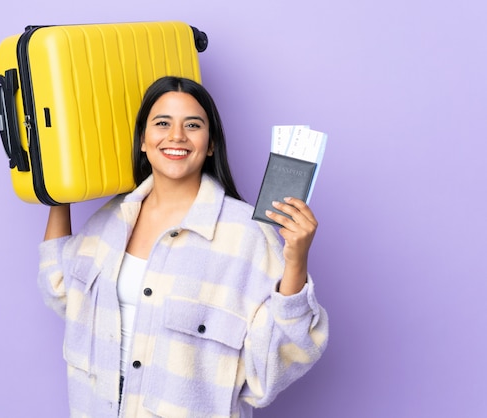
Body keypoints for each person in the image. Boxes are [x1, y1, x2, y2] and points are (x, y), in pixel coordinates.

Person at [38, 76, 328, 417]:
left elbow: (277, 360)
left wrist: (297, 260)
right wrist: (55, 192)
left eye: (192, 125)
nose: (176, 136)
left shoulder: (247, 235)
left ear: (210, 145)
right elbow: (61, 287)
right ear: (143, 140)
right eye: (162, 123)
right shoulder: (112, 219)